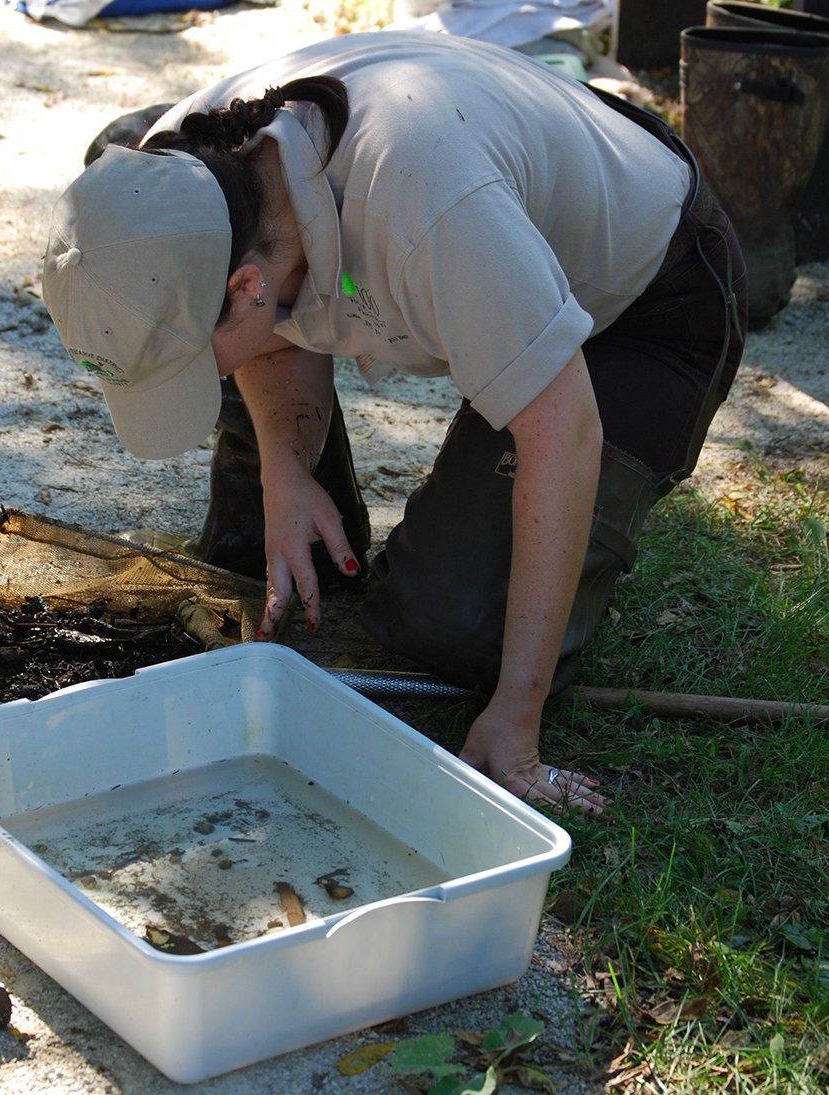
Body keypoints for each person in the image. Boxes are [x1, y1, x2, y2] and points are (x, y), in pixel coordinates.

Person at [43, 31, 747, 816]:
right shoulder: (177, 173)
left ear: (244, 284)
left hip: (644, 298)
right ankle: (315, 494)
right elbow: (275, 307)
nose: (198, 389)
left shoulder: (429, 205)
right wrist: (285, 465)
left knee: (451, 629)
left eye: (189, 368)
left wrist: (517, 719)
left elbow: (563, 432)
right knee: (252, 548)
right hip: (463, 221)